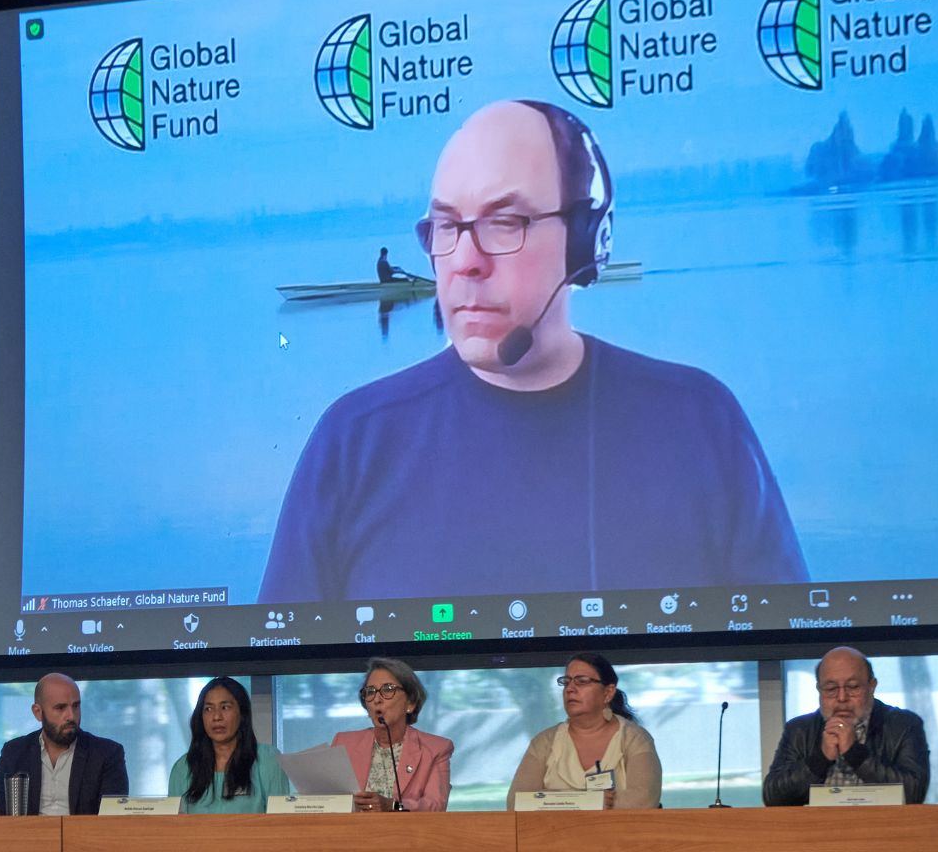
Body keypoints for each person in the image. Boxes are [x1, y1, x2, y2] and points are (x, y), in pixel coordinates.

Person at [260, 99, 807, 602]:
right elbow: (275, 668)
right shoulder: (354, 439)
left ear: (585, 239)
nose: (466, 261)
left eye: (504, 223)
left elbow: (796, 645)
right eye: (447, 226)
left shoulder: (698, 420)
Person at [763, 646, 929, 806]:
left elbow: (913, 792)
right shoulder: (799, 730)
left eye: (853, 687)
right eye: (831, 688)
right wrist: (820, 758)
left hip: (884, 829)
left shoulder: (904, 725)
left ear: (872, 686)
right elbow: (773, 796)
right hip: (815, 830)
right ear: (819, 690)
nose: (842, 698)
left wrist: (854, 753)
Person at [507, 652, 661, 809]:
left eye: (581, 681)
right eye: (566, 682)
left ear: (608, 692)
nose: (570, 689)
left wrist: (551, 801)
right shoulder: (544, 742)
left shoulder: (634, 738)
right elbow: (515, 803)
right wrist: (588, 801)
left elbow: (644, 800)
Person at [0, 672, 128, 815]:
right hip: (26, 836)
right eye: (60, 708)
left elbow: (113, 820)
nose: (71, 716)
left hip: (83, 836)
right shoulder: (14, 752)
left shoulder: (107, 754)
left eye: (75, 706)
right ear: (38, 712)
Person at [333, 657, 452, 812]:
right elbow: (327, 800)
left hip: (407, 834)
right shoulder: (344, 743)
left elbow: (436, 806)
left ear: (410, 703)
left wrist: (393, 806)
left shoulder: (436, 749)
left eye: (388, 690)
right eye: (370, 692)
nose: (376, 699)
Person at [168, 677, 289, 813]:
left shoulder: (267, 759)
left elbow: (282, 824)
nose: (216, 717)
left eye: (225, 707)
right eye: (208, 709)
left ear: (242, 714)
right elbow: (174, 828)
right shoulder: (183, 768)